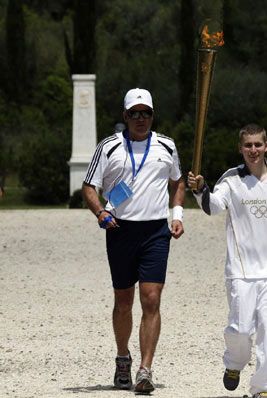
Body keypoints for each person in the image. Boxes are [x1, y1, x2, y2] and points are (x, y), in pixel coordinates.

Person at [187, 123, 267, 398]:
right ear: (240, 148)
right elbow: (213, 207)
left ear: (266, 146)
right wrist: (200, 189)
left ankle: (263, 388)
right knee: (240, 328)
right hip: (240, 270)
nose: (253, 150)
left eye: (258, 145)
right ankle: (235, 362)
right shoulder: (231, 179)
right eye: (248, 145)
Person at [81, 88, 185, 393]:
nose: (141, 119)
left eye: (146, 113)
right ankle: (123, 357)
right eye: (134, 113)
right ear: (125, 116)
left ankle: (145, 369)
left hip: (155, 231)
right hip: (120, 231)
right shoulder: (109, 146)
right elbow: (89, 187)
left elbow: (177, 182)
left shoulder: (166, 145)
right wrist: (100, 212)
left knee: (151, 299)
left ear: (153, 115)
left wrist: (177, 215)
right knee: (123, 302)